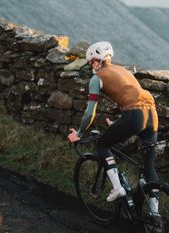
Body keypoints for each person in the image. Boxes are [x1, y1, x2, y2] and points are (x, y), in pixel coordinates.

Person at [67, 42, 160, 214]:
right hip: (152, 116)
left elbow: (89, 113)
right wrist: (119, 123)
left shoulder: (97, 78)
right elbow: (133, 97)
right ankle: (155, 215)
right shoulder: (123, 70)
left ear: (97, 61)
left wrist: (79, 133)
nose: (92, 66)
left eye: (92, 62)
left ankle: (117, 188)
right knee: (149, 167)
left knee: (102, 145)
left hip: (134, 116)